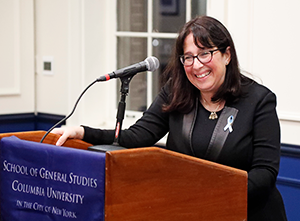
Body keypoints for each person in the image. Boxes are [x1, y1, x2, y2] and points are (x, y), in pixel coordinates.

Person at [52, 16, 287, 220]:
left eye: (205, 54)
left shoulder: (259, 100)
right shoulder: (176, 91)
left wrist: (209, 196)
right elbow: (137, 136)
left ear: (227, 55)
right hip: (187, 212)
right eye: (188, 57)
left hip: (249, 214)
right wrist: (82, 132)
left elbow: (264, 175)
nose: (196, 65)